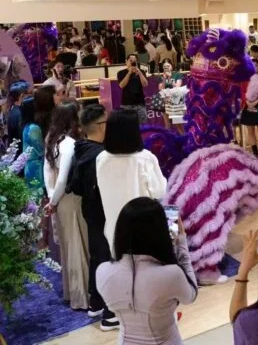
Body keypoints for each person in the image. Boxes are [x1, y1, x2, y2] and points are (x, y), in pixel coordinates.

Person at [97, 197, 198, 344]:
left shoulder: (102, 271)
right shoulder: (171, 274)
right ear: (159, 233)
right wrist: (181, 242)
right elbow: (190, 295)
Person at [68, 104, 118, 329]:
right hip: (103, 212)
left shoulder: (81, 149)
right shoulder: (101, 156)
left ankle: (95, 303)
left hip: (90, 210)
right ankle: (110, 313)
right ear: (100, 126)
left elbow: (75, 185)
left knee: (97, 256)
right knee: (108, 258)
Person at [97, 109, 167, 254]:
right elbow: (159, 191)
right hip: (143, 225)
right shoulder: (145, 158)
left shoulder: (101, 158)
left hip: (113, 226)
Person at [43, 102, 90, 310]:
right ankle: (82, 295)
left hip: (59, 200)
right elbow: (63, 178)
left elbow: (48, 175)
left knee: (69, 246)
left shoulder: (52, 141)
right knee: (78, 245)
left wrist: (52, 199)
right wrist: (54, 200)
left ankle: (72, 293)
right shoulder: (70, 144)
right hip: (70, 200)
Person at [21, 96, 45, 198]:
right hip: (35, 166)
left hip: (30, 165)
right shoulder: (34, 128)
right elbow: (40, 149)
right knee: (37, 195)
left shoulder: (27, 126)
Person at [118, 54, 149, 123]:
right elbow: (121, 85)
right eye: (130, 60)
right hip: (127, 105)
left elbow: (145, 84)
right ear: (126, 61)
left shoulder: (141, 71)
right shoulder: (121, 73)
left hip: (140, 104)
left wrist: (140, 73)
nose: (132, 62)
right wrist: (129, 72)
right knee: (128, 127)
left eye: (134, 61)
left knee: (143, 127)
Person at [6, 81, 30, 146]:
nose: (29, 96)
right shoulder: (18, 114)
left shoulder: (14, 109)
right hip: (19, 152)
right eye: (27, 94)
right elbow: (21, 137)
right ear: (22, 96)